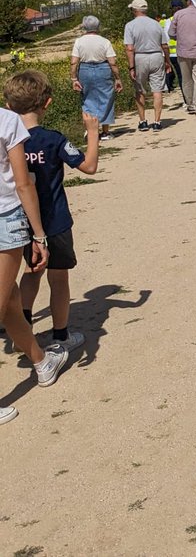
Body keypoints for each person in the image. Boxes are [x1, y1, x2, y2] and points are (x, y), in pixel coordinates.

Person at [7, 70, 99, 358]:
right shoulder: (52, 140)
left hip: (20, 220)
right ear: (47, 104)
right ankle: (61, 335)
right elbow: (88, 167)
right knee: (58, 279)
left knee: (31, 273)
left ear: (8, 106)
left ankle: (21, 325)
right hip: (54, 221)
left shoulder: (8, 142)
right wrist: (93, 133)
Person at [0, 97, 69, 424]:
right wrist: (39, 234)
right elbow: (23, 182)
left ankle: (41, 361)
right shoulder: (7, 121)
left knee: (11, 298)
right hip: (5, 219)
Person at [70, 15, 122, 139]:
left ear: (84, 27)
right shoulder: (104, 41)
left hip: (85, 69)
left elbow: (74, 62)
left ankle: (90, 131)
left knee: (87, 99)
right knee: (106, 98)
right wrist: (118, 78)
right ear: (98, 26)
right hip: (103, 69)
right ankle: (105, 132)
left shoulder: (79, 41)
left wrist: (74, 79)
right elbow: (112, 62)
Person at [124, 0, 172, 132]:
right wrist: (167, 61)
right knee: (157, 90)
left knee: (140, 90)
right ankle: (157, 121)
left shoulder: (130, 25)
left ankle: (143, 121)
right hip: (156, 55)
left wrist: (131, 66)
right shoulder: (156, 24)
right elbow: (165, 45)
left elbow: (129, 48)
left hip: (140, 56)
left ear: (134, 10)